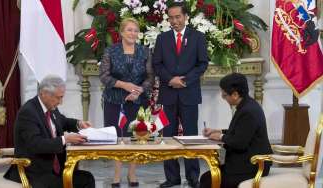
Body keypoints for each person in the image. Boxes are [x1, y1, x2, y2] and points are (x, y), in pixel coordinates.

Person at [152, 2, 209, 188]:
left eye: (178, 17)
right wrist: (171, 80)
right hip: (168, 94)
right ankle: (172, 178)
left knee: (191, 136)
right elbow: (157, 64)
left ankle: (193, 177)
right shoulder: (162, 38)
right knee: (168, 136)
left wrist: (184, 80)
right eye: (171, 18)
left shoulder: (198, 37)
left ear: (185, 17)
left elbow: (202, 64)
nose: (174, 21)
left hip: (189, 93)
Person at [3, 75, 95, 188]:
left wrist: (79, 123)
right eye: (58, 98)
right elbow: (36, 144)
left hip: (53, 169)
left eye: (62, 97)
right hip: (35, 173)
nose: (60, 102)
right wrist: (64, 139)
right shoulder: (28, 112)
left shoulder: (50, 107)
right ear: (44, 94)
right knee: (83, 181)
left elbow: (63, 121)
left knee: (87, 177)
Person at [99, 17, 154, 188]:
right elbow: (104, 76)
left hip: (138, 101)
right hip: (114, 101)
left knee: (135, 137)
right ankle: (116, 174)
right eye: (129, 30)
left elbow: (151, 77)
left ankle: (132, 173)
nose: (133, 33)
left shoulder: (145, 51)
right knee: (116, 137)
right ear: (122, 32)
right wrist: (125, 86)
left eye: (136, 30)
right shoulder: (111, 51)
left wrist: (137, 91)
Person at [199, 73, 273, 188]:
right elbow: (240, 131)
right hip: (245, 163)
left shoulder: (248, 111)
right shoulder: (246, 105)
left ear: (235, 94)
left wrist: (220, 137)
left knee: (208, 182)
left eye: (224, 96)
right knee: (206, 178)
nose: (224, 99)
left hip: (252, 166)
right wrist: (218, 131)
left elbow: (239, 143)